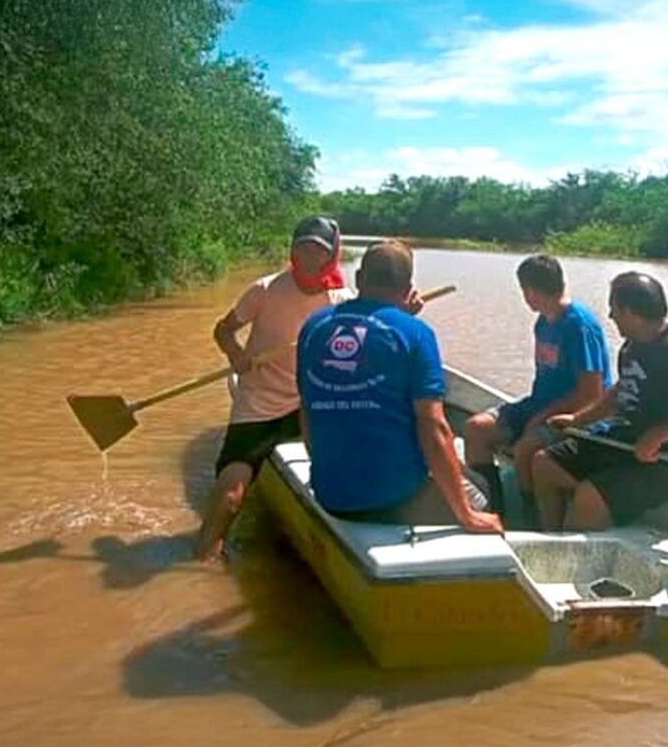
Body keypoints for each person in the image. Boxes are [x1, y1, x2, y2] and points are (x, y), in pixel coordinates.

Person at [296, 240, 504, 534]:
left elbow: (307, 411)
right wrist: (467, 514)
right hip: (391, 501)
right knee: (481, 489)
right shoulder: (415, 333)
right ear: (408, 289)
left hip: (330, 493)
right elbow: (433, 426)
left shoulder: (313, 327)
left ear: (358, 280)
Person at [194, 216, 353, 560]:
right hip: (258, 402)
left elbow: (372, 338)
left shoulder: (342, 301)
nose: (309, 259)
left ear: (331, 257)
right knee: (231, 498)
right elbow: (223, 330)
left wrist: (405, 312)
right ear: (292, 252)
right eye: (302, 249)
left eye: (318, 251)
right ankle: (203, 558)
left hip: (310, 403)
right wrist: (236, 354)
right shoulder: (265, 290)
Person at [531, 271, 668, 531]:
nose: (611, 316)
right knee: (544, 464)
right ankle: (550, 538)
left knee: (589, 496)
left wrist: (660, 435)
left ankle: (574, 555)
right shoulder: (633, 344)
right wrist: (579, 420)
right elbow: (621, 390)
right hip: (623, 444)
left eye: (614, 309)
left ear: (630, 311)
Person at [462, 255, 611, 519]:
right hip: (539, 404)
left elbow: (592, 394)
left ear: (530, 291)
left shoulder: (579, 325)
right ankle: (492, 510)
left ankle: (530, 517)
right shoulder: (543, 322)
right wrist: (535, 414)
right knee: (476, 429)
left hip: (576, 414)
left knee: (525, 449)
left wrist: (541, 419)